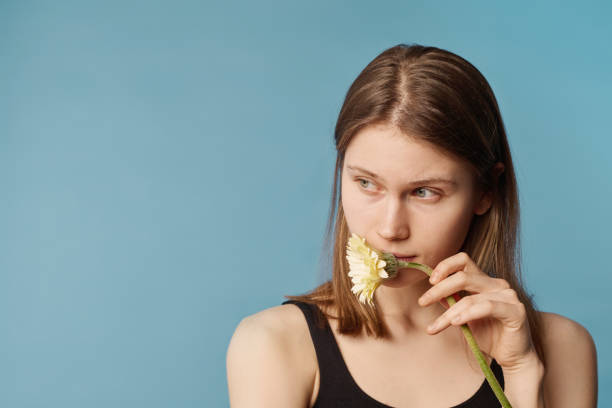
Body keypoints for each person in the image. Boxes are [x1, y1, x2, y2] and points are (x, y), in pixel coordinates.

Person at [226, 44, 598, 407]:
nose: (390, 228)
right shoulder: (274, 344)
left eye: (424, 192)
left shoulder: (563, 348)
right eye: (367, 183)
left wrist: (521, 374)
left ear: (486, 191)